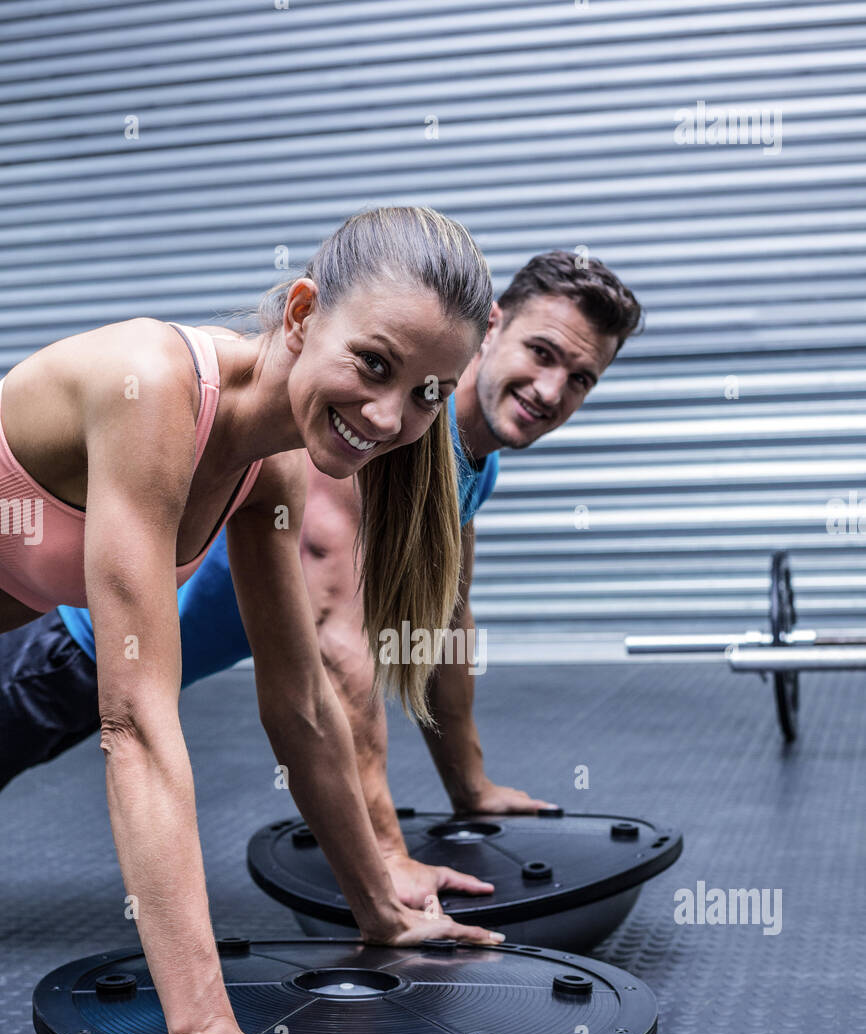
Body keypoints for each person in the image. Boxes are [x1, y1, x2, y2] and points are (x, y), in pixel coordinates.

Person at [0, 205, 506, 1034]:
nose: (393, 419)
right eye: (375, 364)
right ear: (305, 312)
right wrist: (200, 1029)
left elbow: (302, 705)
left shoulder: (268, 472)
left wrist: (379, 908)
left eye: (431, 394)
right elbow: (136, 724)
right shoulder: (147, 388)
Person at [1, 252, 644, 909]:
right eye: (541, 352)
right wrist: (386, 858)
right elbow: (338, 653)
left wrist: (470, 786)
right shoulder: (373, 440)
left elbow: (444, 624)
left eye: (580, 378)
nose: (549, 389)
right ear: (492, 327)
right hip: (68, 645)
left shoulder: (473, 463)